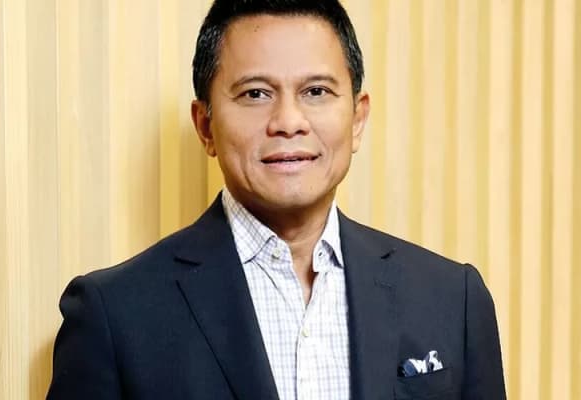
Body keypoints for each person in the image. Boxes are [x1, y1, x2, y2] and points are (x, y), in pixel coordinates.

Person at [47, 1, 506, 399]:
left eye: (316, 92)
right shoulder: (114, 315)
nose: (288, 121)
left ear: (357, 119)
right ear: (205, 126)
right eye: (256, 94)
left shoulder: (453, 300)